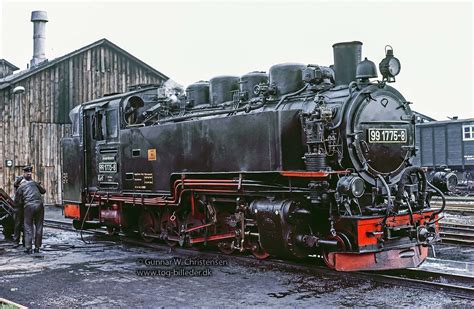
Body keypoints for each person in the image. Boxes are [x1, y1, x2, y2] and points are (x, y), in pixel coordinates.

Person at [14, 165, 46, 254]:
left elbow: (18, 201)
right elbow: (43, 191)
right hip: (39, 205)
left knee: (28, 226)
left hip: (29, 206)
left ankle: (28, 248)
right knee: (39, 226)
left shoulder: (21, 186)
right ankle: (37, 247)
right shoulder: (34, 183)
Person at [12, 168, 29, 247]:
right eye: (27, 172)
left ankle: (25, 241)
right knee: (18, 223)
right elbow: (15, 185)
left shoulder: (30, 181)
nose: (28, 174)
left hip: (26, 206)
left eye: (29, 172)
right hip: (19, 206)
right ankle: (16, 241)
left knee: (26, 224)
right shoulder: (19, 180)